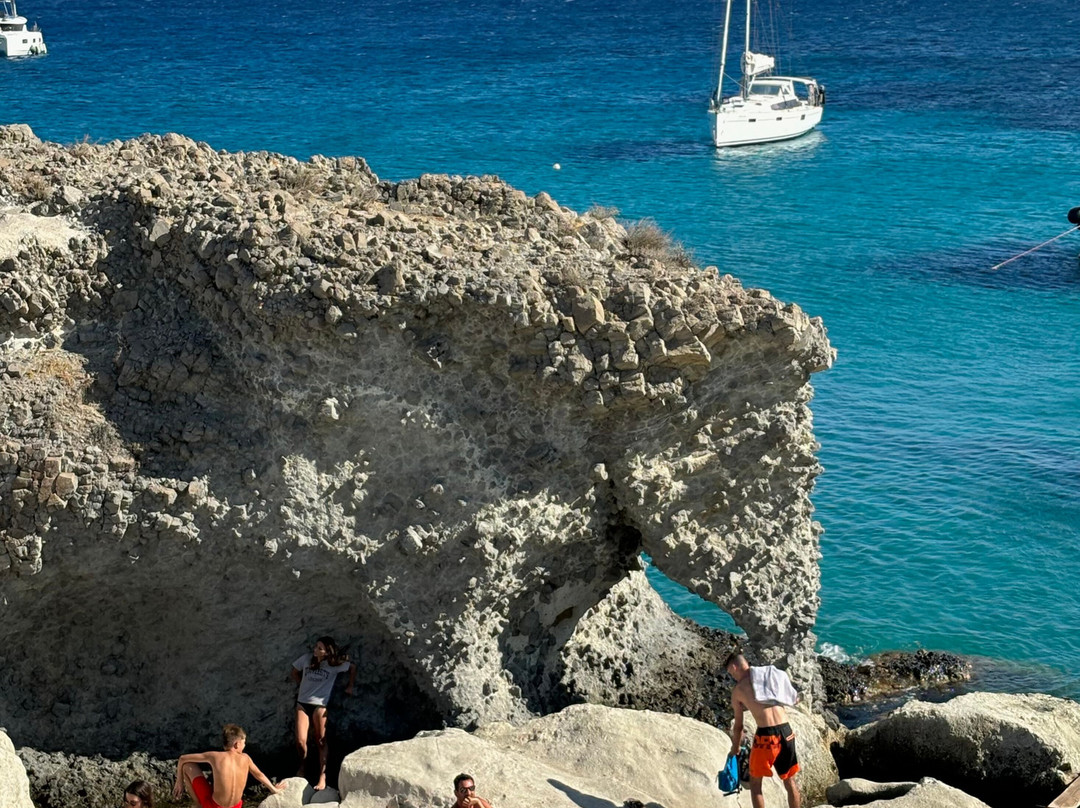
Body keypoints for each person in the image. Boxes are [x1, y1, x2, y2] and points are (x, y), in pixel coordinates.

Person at [726, 650, 800, 808]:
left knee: (755, 785)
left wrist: (735, 749)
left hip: (766, 736)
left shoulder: (738, 690)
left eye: (731, 674)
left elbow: (738, 726)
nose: (733, 677)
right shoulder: (768, 676)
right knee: (789, 781)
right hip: (787, 732)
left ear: (734, 667)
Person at [291, 636, 357, 790]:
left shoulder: (333, 665)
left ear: (327, 652)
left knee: (321, 740)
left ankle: (323, 775)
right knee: (300, 741)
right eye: (316, 646)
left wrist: (350, 686)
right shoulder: (306, 659)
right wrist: (303, 686)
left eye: (319, 648)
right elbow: (294, 672)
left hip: (320, 705)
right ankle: (303, 766)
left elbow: (352, 667)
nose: (315, 650)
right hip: (302, 703)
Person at [172, 724, 283, 808]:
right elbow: (259, 775)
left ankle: (199, 805)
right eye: (244, 743)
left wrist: (179, 782)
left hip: (214, 806)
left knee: (187, 766)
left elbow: (182, 758)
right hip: (236, 806)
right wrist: (274, 790)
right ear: (237, 744)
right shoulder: (246, 758)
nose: (244, 746)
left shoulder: (215, 756)